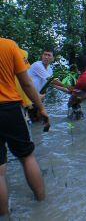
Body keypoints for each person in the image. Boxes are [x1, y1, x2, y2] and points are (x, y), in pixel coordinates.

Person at [0, 38, 49, 216]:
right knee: (27, 157)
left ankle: (4, 215)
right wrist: (41, 108)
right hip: (9, 108)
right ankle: (44, 206)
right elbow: (26, 83)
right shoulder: (8, 45)